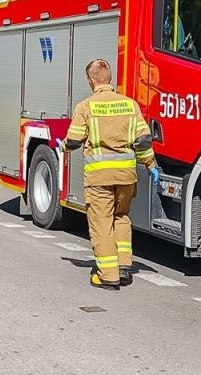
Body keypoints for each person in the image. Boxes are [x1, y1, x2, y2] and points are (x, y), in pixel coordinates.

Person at [63, 59, 156, 290]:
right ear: (110, 78)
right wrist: (150, 164)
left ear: (91, 80)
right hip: (126, 177)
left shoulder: (86, 106)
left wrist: (63, 146)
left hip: (99, 178)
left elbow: (74, 140)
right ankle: (124, 266)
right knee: (121, 217)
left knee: (102, 223)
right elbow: (143, 139)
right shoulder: (129, 104)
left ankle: (108, 276)